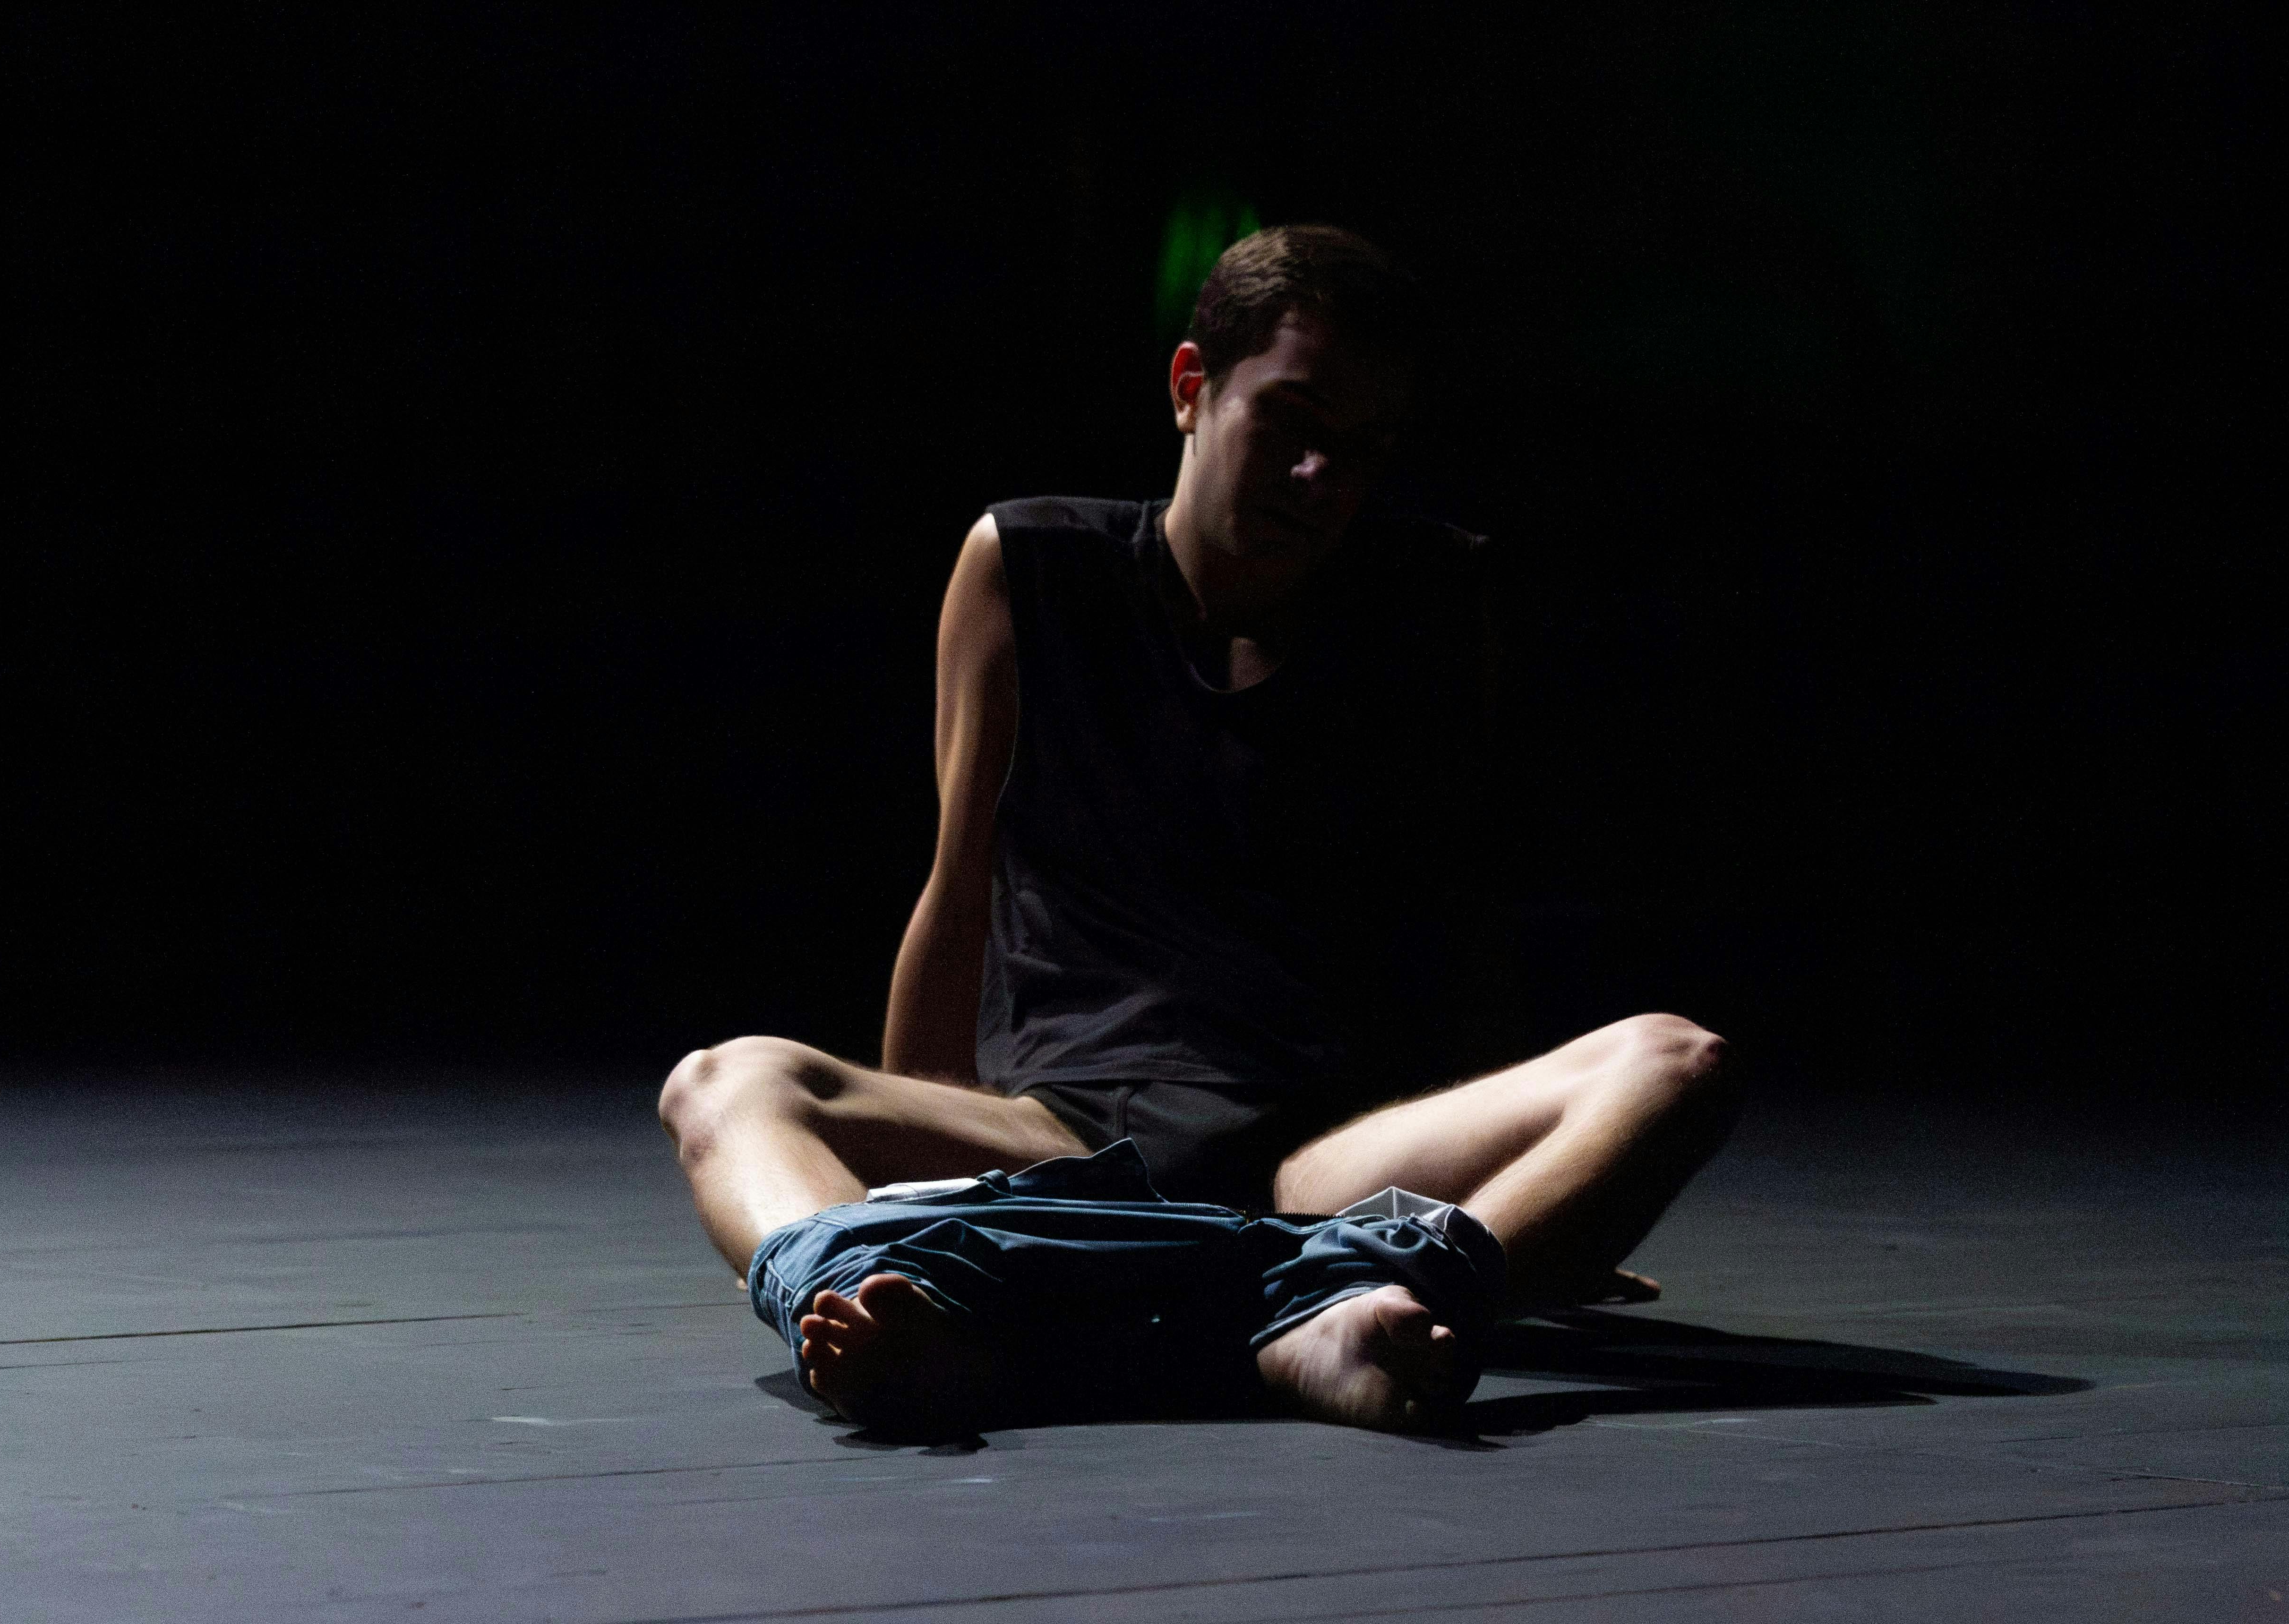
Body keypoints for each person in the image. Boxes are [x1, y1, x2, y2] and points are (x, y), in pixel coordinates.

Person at [658, 224, 1741, 1435]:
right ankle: (1263, 1315)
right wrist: (935, 1199)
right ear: (1192, 389)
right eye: (1290, 423)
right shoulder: (1030, 563)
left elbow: (1450, 902)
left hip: (1312, 1155)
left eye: (1364, 448)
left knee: (1674, 1063)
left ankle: (1232, 1305)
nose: (1322, 477)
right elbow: (959, 881)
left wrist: (1535, 1192)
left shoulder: (1431, 595)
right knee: (727, 1080)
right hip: (1056, 1129)